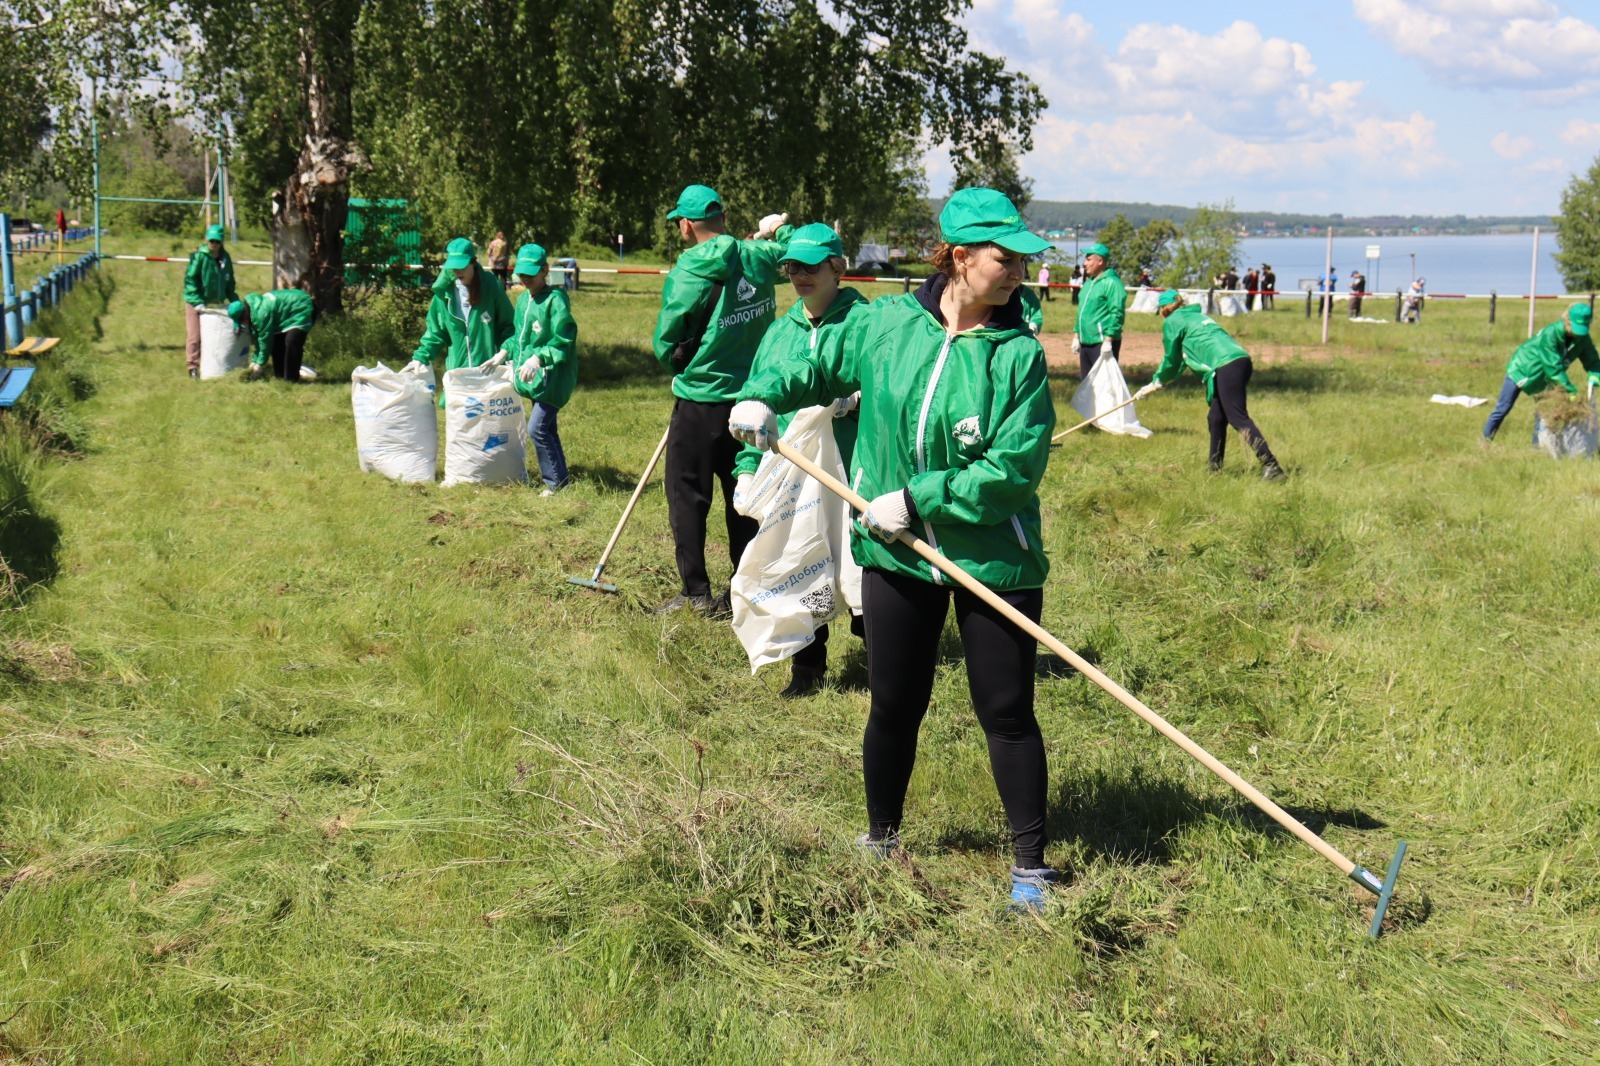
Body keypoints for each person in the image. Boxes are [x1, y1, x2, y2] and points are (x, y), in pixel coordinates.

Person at [729, 187, 1063, 910]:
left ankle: (1030, 868)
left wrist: (918, 498)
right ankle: (881, 836)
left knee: (1006, 711)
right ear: (960, 257)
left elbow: (1012, 470)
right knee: (893, 704)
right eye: (1006, 259)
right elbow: (815, 368)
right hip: (894, 554)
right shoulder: (885, 325)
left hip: (991, 559)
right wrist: (762, 395)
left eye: (1023, 262)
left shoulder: (1018, 355)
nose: (1019, 273)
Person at [730, 223, 868, 698]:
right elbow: (757, 402)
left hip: (855, 467)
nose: (801, 276)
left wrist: (859, 400)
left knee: (860, 563)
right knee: (800, 560)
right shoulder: (779, 332)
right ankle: (807, 668)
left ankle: (881, 660)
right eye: (792, 267)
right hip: (795, 472)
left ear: (838, 267)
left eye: (812, 266)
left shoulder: (864, 323)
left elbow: (892, 391)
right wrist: (747, 467)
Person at [651, 184, 790, 616]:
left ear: (686, 225)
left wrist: (678, 368)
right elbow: (797, 251)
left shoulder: (688, 270)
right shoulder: (760, 257)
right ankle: (742, 591)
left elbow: (667, 340)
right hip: (753, 403)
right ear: (724, 218)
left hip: (700, 401)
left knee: (687, 496)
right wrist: (778, 230)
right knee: (744, 496)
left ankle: (695, 594)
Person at [1135, 289, 1285, 480]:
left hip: (1225, 365)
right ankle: (1214, 469)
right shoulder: (1197, 317)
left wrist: (1157, 380)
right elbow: (1183, 359)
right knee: (1216, 418)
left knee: (1238, 418)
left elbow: (1172, 359)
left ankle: (1272, 466)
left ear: (1164, 309)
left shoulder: (1173, 321)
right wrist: (1158, 382)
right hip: (1240, 360)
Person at [501, 243, 577, 495]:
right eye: (521, 274)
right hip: (534, 379)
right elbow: (519, 337)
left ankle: (553, 483)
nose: (525, 279)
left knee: (537, 428)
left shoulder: (555, 300)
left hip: (553, 377)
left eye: (531, 274)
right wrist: (504, 351)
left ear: (545, 270)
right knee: (548, 429)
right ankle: (562, 481)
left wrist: (538, 358)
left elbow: (563, 339)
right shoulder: (524, 299)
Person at [407, 237, 516, 399]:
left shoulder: (491, 286)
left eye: (462, 266)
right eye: (454, 267)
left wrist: (507, 353)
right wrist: (421, 357)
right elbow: (435, 333)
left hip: (488, 375)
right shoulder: (443, 293)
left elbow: (508, 326)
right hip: (458, 377)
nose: (458, 271)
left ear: (473, 262)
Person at [1481, 304, 1599, 441]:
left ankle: (1538, 446)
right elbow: (1552, 367)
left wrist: (1595, 375)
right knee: (1503, 407)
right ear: (1567, 321)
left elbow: (1593, 361)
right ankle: (1485, 440)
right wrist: (1569, 390)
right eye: (1576, 328)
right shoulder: (1551, 334)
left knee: (1543, 412)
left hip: (1545, 379)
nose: (1578, 334)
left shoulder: (1583, 339)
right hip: (1522, 370)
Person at [182, 224, 239, 380]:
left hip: (215, 305)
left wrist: (235, 302)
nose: (214, 244)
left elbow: (229, 282)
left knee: (214, 337)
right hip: (195, 302)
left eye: (217, 241)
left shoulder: (225, 258)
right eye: (211, 241)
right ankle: (193, 367)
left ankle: (216, 366)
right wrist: (196, 301)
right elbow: (190, 279)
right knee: (194, 336)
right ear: (206, 239)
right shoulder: (199, 256)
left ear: (221, 242)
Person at [230, 289, 316, 382]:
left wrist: (260, 364)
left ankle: (291, 381)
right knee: (277, 344)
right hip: (285, 315)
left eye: (242, 322)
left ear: (245, 315)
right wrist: (254, 361)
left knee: (291, 341)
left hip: (301, 306)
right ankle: (280, 377)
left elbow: (265, 342)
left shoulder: (261, 314)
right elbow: (258, 339)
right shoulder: (252, 312)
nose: (244, 324)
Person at [1074, 241, 1125, 380]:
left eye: (1089, 259)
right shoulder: (1088, 283)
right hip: (1085, 341)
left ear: (1100, 261)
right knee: (1087, 383)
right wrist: (1077, 335)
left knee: (1103, 384)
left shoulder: (1112, 283)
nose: (1085, 263)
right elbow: (1081, 311)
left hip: (1102, 342)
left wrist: (1109, 339)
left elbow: (1117, 313)